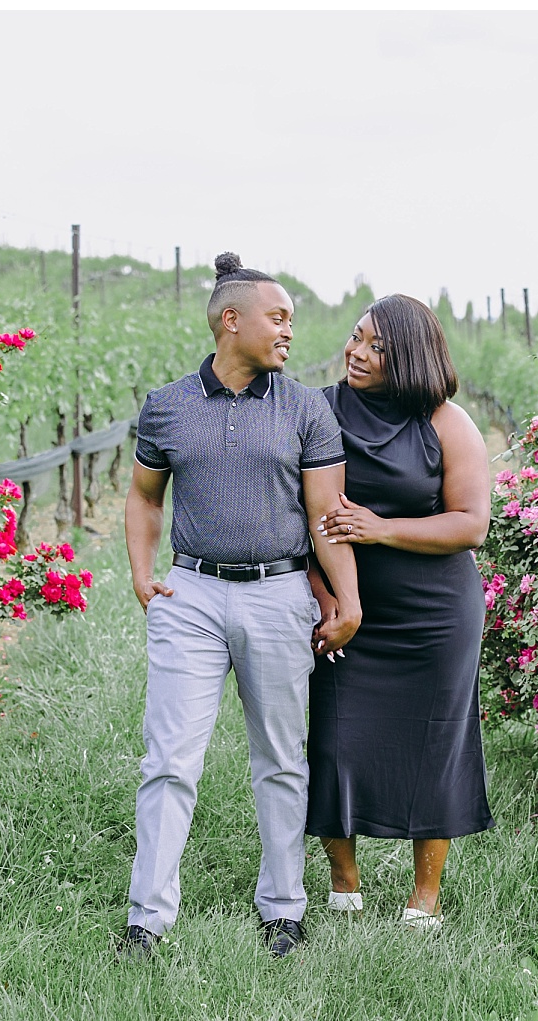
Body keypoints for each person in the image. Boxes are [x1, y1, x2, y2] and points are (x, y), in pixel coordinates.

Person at [118, 253, 361, 960]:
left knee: (282, 758)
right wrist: (143, 575)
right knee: (169, 759)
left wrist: (346, 597)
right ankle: (147, 918)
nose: (289, 331)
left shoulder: (306, 407)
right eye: (277, 317)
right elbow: (143, 494)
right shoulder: (167, 407)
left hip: (281, 593)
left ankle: (283, 907)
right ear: (232, 321)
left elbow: (326, 515)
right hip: (191, 593)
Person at [306, 293, 494, 930]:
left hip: (436, 612)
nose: (357, 353)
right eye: (356, 337)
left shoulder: (446, 422)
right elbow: (304, 519)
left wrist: (381, 529)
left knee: (434, 743)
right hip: (348, 603)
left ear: (409, 356)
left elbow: (471, 525)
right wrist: (329, 598)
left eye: (377, 347)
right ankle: (344, 881)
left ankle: (424, 897)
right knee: (336, 738)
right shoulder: (320, 411)